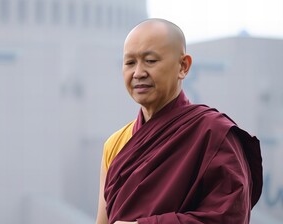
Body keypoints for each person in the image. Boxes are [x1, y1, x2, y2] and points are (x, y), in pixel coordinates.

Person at [96, 18, 263, 224]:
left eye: (150, 61)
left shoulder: (214, 134)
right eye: (130, 63)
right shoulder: (115, 144)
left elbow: (230, 218)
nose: (138, 73)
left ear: (183, 66)